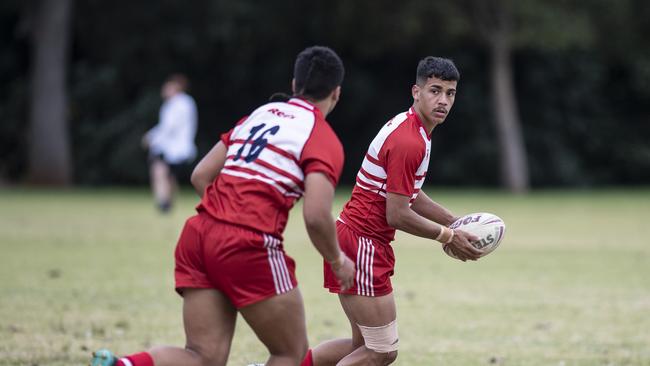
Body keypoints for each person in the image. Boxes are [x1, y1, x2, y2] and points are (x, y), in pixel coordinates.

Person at [91, 46, 356, 366]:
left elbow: (201, 174)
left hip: (198, 235)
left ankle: (121, 365)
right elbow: (315, 216)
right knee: (290, 353)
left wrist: (224, 218)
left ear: (294, 83)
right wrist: (338, 261)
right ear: (337, 93)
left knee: (203, 356)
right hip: (248, 242)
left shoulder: (259, 115)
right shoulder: (322, 137)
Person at [301, 57, 483, 366]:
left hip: (353, 238)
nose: (443, 100)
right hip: (363, 244)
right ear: (416, 91)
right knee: (381, 351)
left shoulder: (412, 127)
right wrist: (447, 235)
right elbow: (396, 214)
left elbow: (408, 193)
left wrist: (454, 221)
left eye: (450, 93)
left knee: (361, 345)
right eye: (435, 90)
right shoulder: (409, 141)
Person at [142, 74, 198, 213]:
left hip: (173, 148)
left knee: (159, 171)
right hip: (178, 148)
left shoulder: (178, 103)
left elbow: (168, 127)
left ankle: (163, 202)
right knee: (169, 175)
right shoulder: (184, 102)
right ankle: (167, 203)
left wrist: (151, 138)